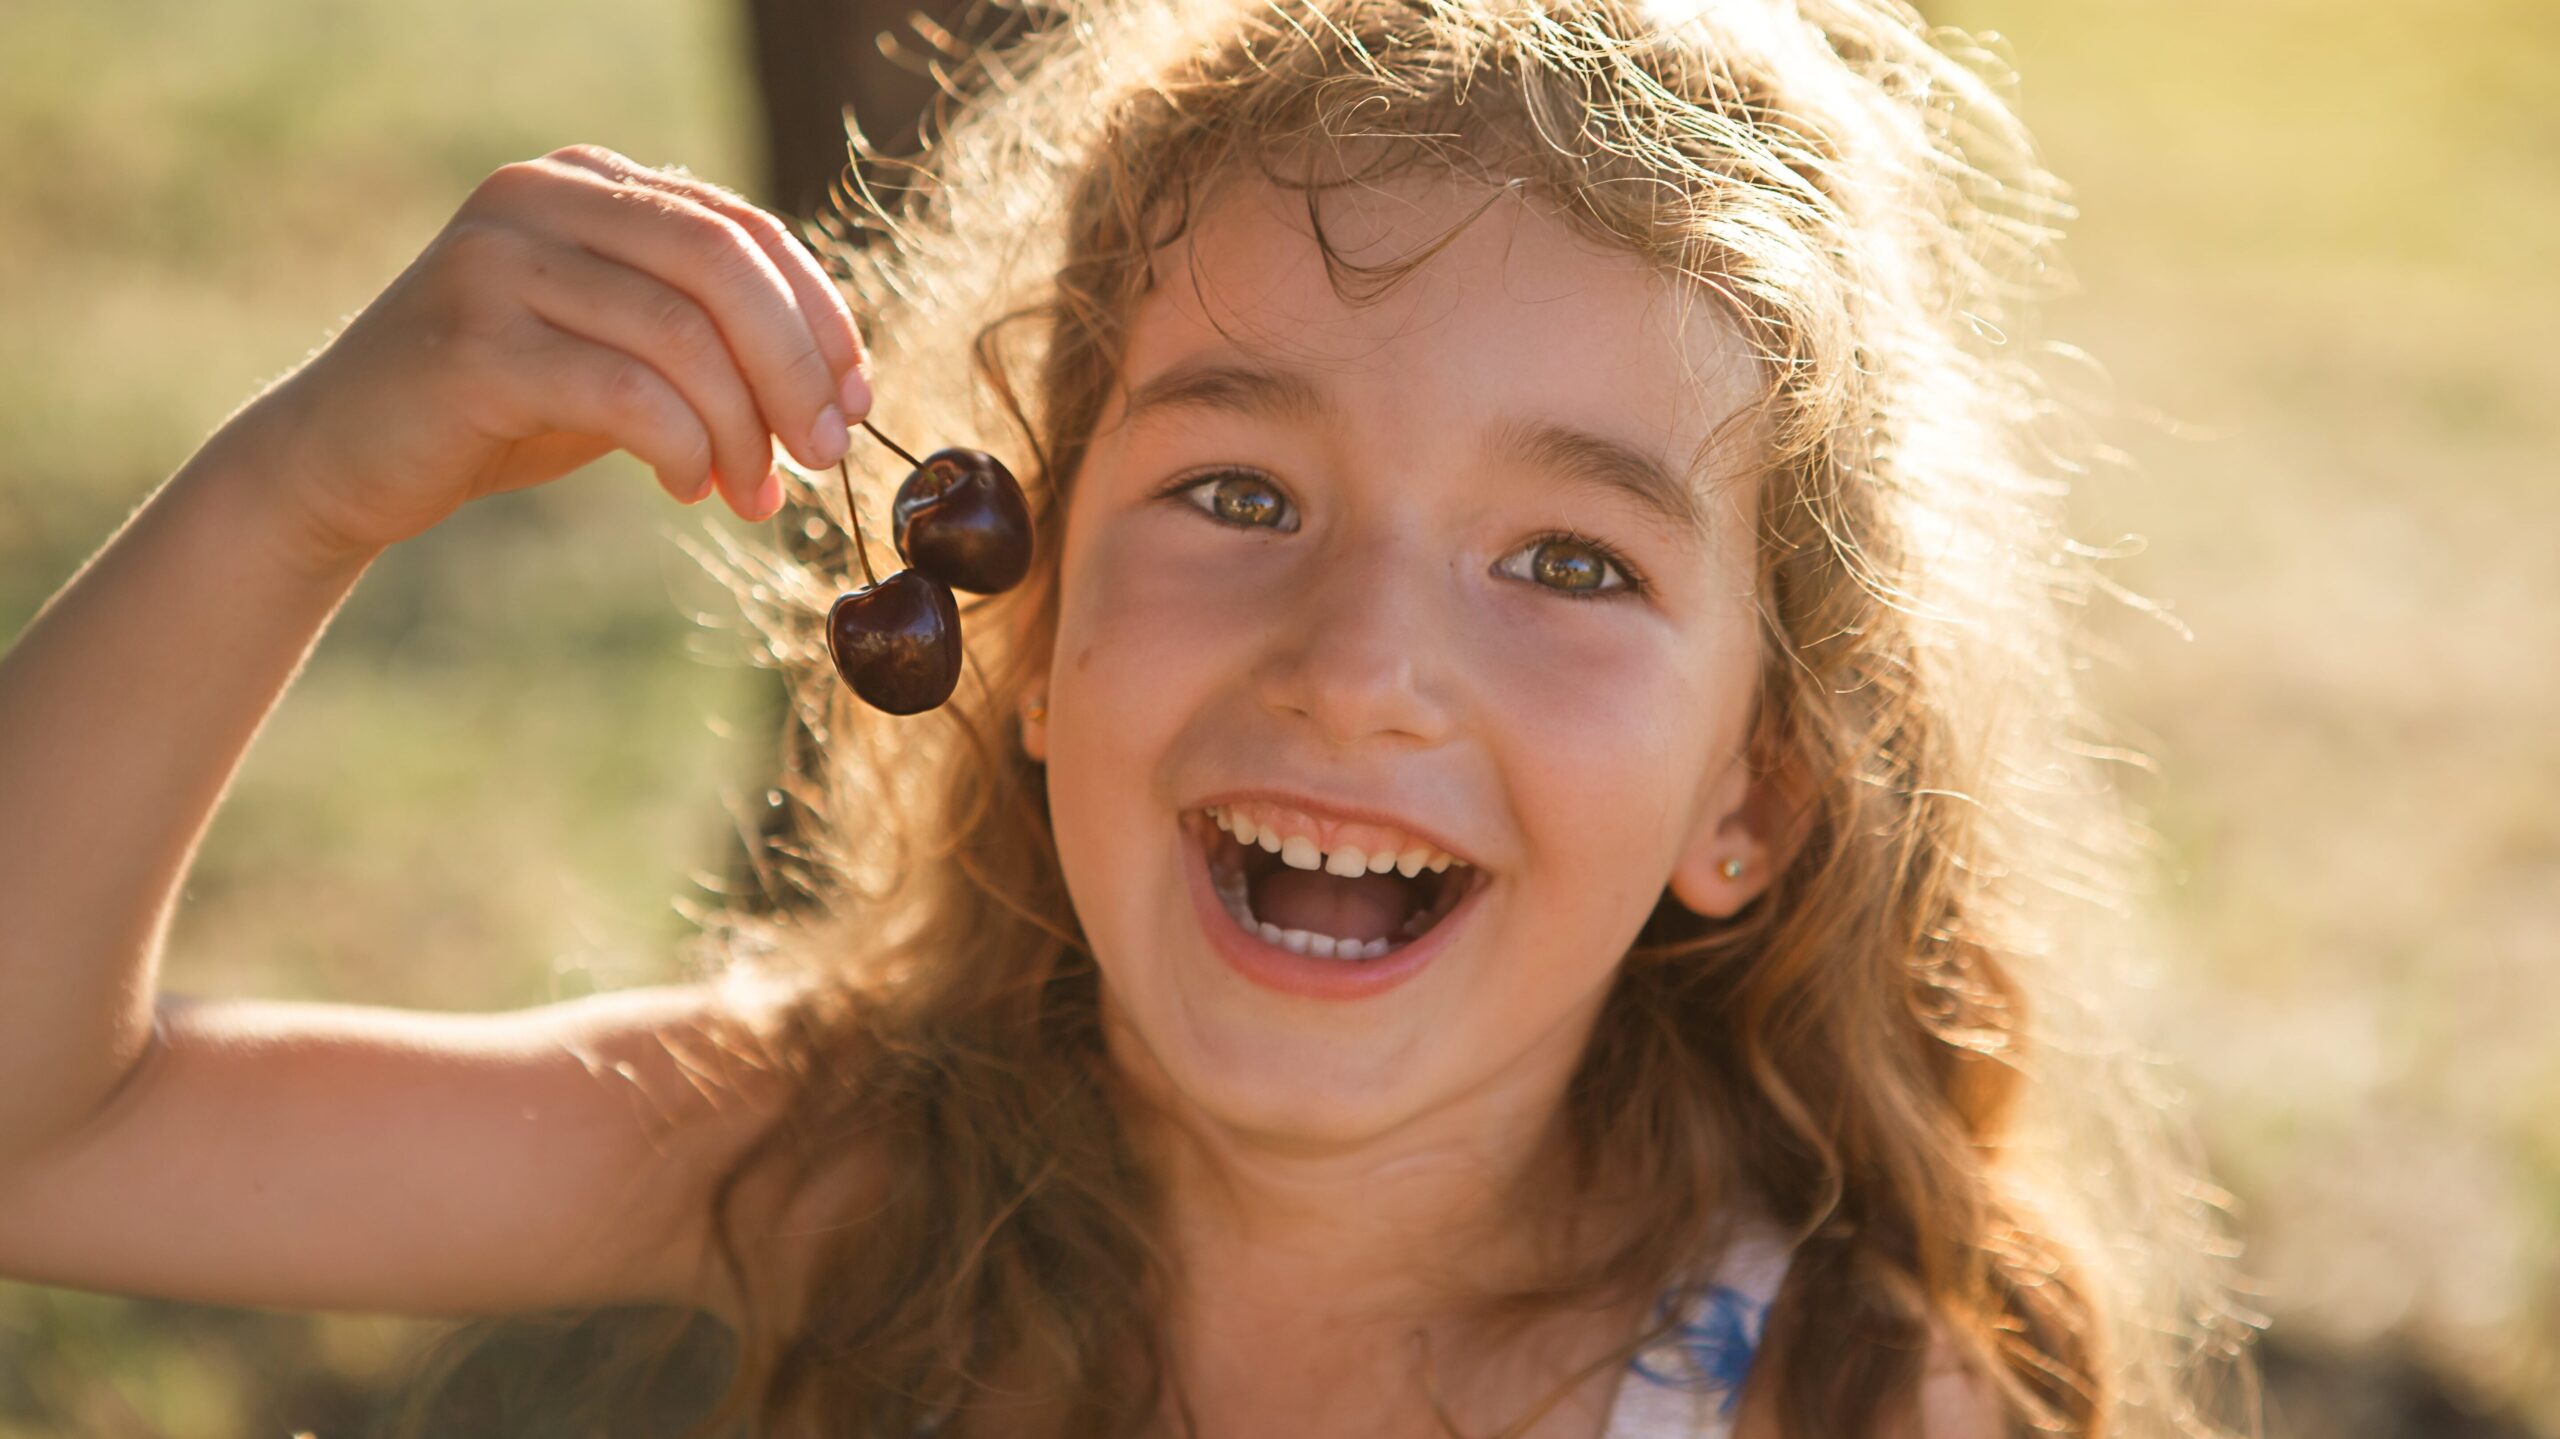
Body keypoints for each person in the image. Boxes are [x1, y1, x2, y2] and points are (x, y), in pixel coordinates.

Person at [0, 0, 2263, 1434]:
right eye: (1237, 491)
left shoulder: (1839, 1394)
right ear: (1034, 638)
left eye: (1567, 560)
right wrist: (305, 489)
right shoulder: (842, 1165)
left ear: (1753, 791)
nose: (1358, 663)